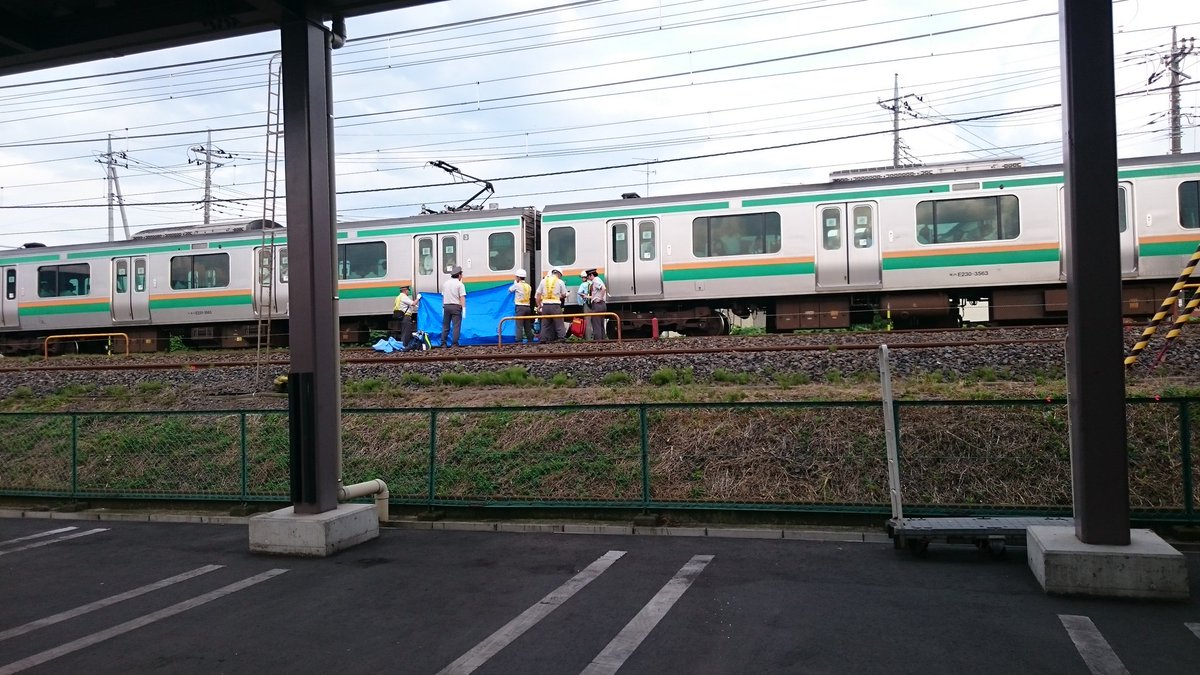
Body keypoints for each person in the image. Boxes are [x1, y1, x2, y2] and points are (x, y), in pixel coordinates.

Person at [534, 267, 567, 342]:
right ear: (559, 274)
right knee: (559, 322)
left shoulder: (543, 281)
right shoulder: (560, 282)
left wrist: (539, 305)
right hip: (555, 305)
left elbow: (538, 294)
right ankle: (561, 338)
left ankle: (543, 339)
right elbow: (564, 294)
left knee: (545, 324)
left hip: (545, 306)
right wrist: (560, 296)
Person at [441, 265, 466, 348]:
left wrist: (443, 306)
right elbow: (462, 297)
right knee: (456, 326)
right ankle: (454, 344)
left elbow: (443, 296)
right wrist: (464, 309)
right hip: (456, 307)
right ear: (459, 275)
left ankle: (443, 343)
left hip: (446, 306)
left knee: (445, 326)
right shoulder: (460, 284)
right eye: (461, 274)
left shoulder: (445, 283)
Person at [509, 268, 535, 343]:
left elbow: (510, 290)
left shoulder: (517, 285)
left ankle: (519, 340)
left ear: (518, 277)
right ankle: (530, 339)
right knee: (527, 325)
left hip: (520, 307)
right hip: (527, 307)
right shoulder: (528, 286)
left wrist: (514, 284)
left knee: (519, 325)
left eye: (516, 277)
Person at [586, 269, 608, 340]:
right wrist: (586, 296)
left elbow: (603, 288)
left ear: (591, 275)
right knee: (601, 324)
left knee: (596, 324)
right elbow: (596, 294)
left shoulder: (595, 280)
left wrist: (599, 298)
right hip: (602, 305)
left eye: (588, 276)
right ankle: (602, 339)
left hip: (598, 305)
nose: (588, 278)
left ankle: (598, 341)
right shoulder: (598, 279)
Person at [574, 270, 591, 339]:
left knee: (587, 321)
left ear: (585, 277)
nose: (582, 279)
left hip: (586, 303)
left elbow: (579, 293)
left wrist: (583, 296)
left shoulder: (583, 284)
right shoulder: (591, 283)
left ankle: (588, 338)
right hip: (593, 303)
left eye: (582, 277)